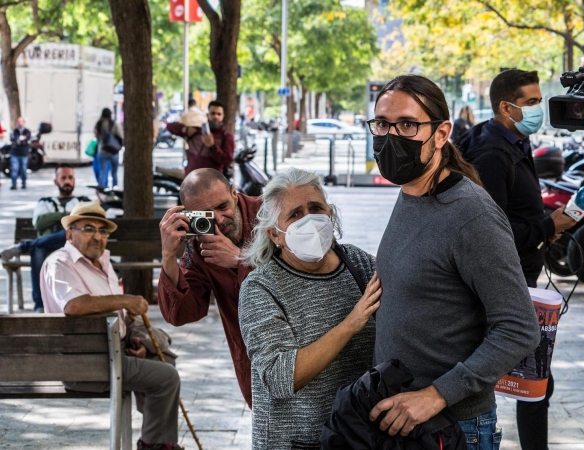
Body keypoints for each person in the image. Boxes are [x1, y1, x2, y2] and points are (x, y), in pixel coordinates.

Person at [367, 74, 539, 448]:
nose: (390, 136)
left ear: (441, 133)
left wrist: (435, 395)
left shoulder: (470, 215)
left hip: (454, 429)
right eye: (382, 123)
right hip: (404, 424)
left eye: (408, 125)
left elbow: (520, 328)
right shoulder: (411, 193)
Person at [455, 69, 576, 450]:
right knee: (535, 382)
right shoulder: (492, 152)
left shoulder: (511, 142)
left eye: (540, 100)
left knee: (535, 383)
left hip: (520, 278)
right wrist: (545, 228)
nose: (540, 108)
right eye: (532, 102)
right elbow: (490, 231)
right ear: (506, 107)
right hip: (500, 287)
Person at [238, 168, 380, 449]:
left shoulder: (358, 263)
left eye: (316, 208)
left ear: (330, 213)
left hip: (358, 438)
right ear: (274, 234)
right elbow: (279, 378)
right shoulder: (260, 288)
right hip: (297, 442)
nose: (310, 220)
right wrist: (350, 324)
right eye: (295, 214)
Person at [40, 200, 183, 450]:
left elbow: (116, 314)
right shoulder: (60, 263)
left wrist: (135, 340)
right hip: (84, 364)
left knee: (162, 352)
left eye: (102, 231)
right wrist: (126, 299)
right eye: (88, 229)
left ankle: (156, 439)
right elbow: (73, 305)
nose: (97, 236)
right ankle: (155, 445)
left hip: (111, 352)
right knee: (166, 377)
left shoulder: (103, 261)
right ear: (69, 233)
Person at [158, 168, 260, 407]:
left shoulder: (270, 213)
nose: (219, 220)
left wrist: (241, 260)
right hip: (251, 356)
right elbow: (182, 313)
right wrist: (168, 256)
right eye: (205, 214)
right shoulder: (198, 243)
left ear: (234, 193)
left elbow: (304, 272)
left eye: (222, 206)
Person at [0, 164, 90, 312]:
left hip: (75, 248)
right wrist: (69, 217)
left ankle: (23, 246)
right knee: (39, 249)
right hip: (48, 249)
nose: (67, 181)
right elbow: (39, 223)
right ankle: (40, 305)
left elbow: (85, 223)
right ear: (56, 181)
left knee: (69, 233)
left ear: (74, 180)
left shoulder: (83, 200)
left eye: (70, 177)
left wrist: (55, 219)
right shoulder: (45, 201)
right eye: (63, 178)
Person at [166, 100, 234, 176]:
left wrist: (212, 147)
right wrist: (184, 129)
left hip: (211, 182)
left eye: (219, 114)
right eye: (213, 113)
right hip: (191, 180)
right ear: (208, 114)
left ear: (223, 116)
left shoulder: (226, 136)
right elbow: (169, 126)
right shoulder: (197, 132)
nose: (216, 116)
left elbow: (227, 160)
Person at [95, 108, 125, 188]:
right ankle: (115, 189)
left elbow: (96, 136)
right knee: (114, 173)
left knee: (103, 172)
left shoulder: (99, 124)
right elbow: (121, 136)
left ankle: (101, 189)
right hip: (114, 151)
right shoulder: (114, 124)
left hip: (102, 150)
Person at [9, 116, 31, 190]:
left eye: (21, 121)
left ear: (23, 122)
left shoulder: (27, 131)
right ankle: (14, 184)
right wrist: (21, 139)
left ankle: (24, 183)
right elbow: (14, 139)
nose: (19, 123)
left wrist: (20, 139)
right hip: (15, 153)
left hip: (24, 153)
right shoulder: (14, 131)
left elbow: (27, 138)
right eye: (18, 121)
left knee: (23, 169)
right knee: (15, 169)